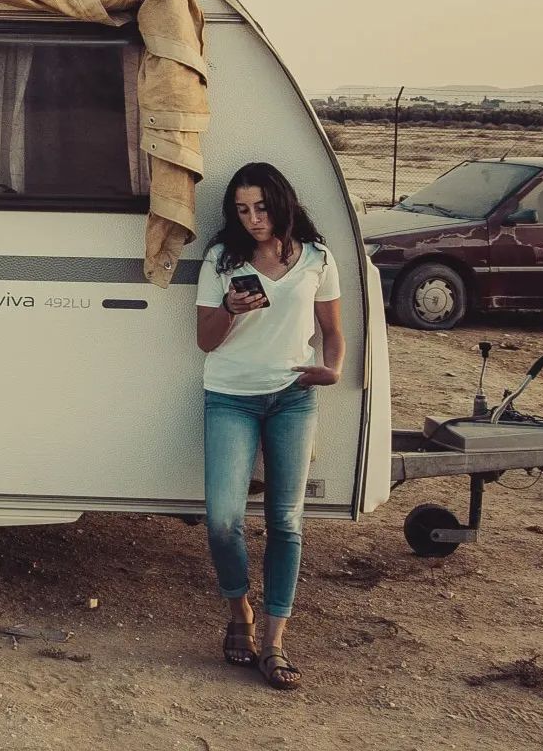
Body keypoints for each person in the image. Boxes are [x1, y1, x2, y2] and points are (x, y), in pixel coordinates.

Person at [194, 161, 345, 690]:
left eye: (260, 207)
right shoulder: (220, 259)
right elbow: (205, 341)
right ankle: (241, 613)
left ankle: (276, 641)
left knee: (286, 521)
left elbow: (332, 329)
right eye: (242, 210)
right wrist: (231, 309)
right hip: (230, 396)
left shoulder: (318, 259)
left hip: (293, 398)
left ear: (281, 202)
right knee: (222, 519)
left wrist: (334, 369)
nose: (253, 218)